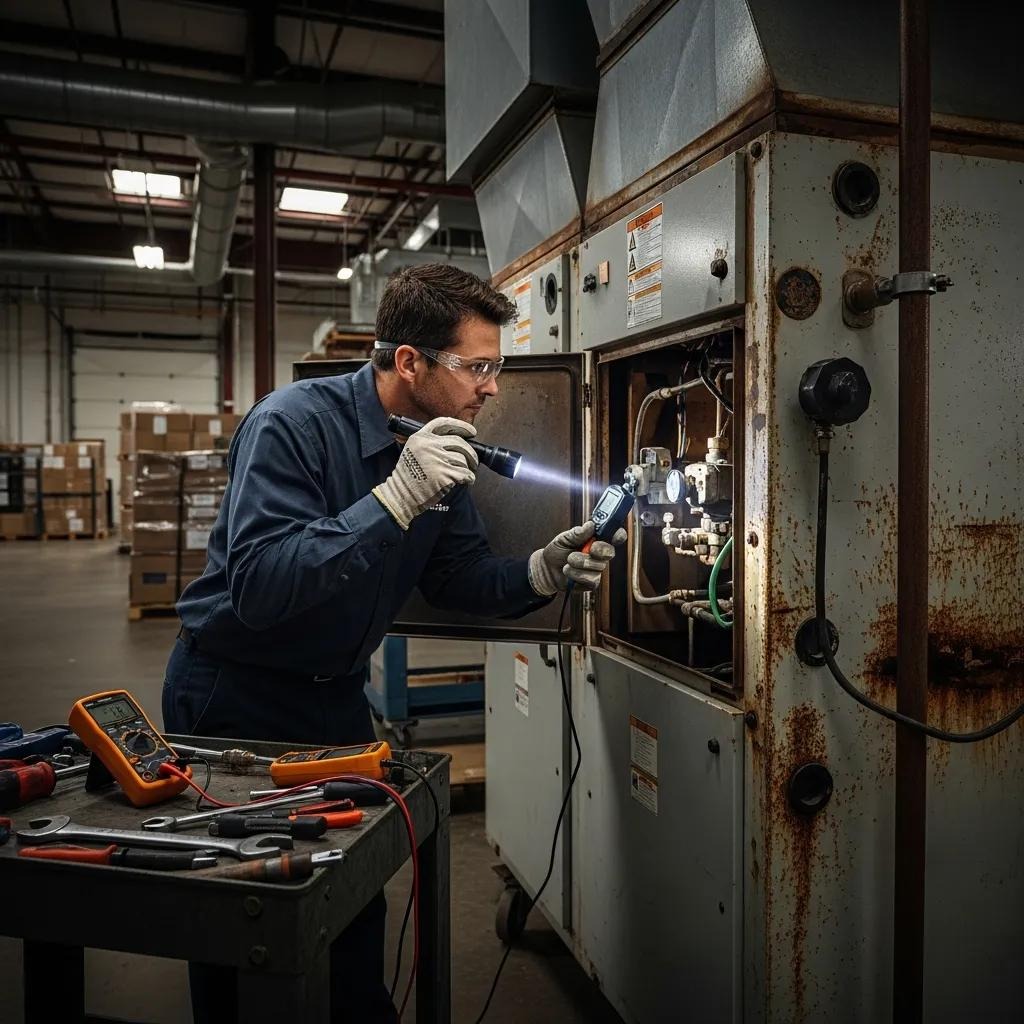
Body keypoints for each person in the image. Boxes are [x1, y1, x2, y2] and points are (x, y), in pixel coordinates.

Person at [161, 263, 625, 1023]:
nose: (491, 388)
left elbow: (457, 576)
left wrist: (540, 572)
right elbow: (261, 586)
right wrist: (394, 499)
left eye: (496, 368)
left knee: (350, 901)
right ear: (409, 361)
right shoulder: (293, 425)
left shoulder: (444, 448)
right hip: (233, 694)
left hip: (336, 699)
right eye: (477, 367)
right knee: (237, 908)